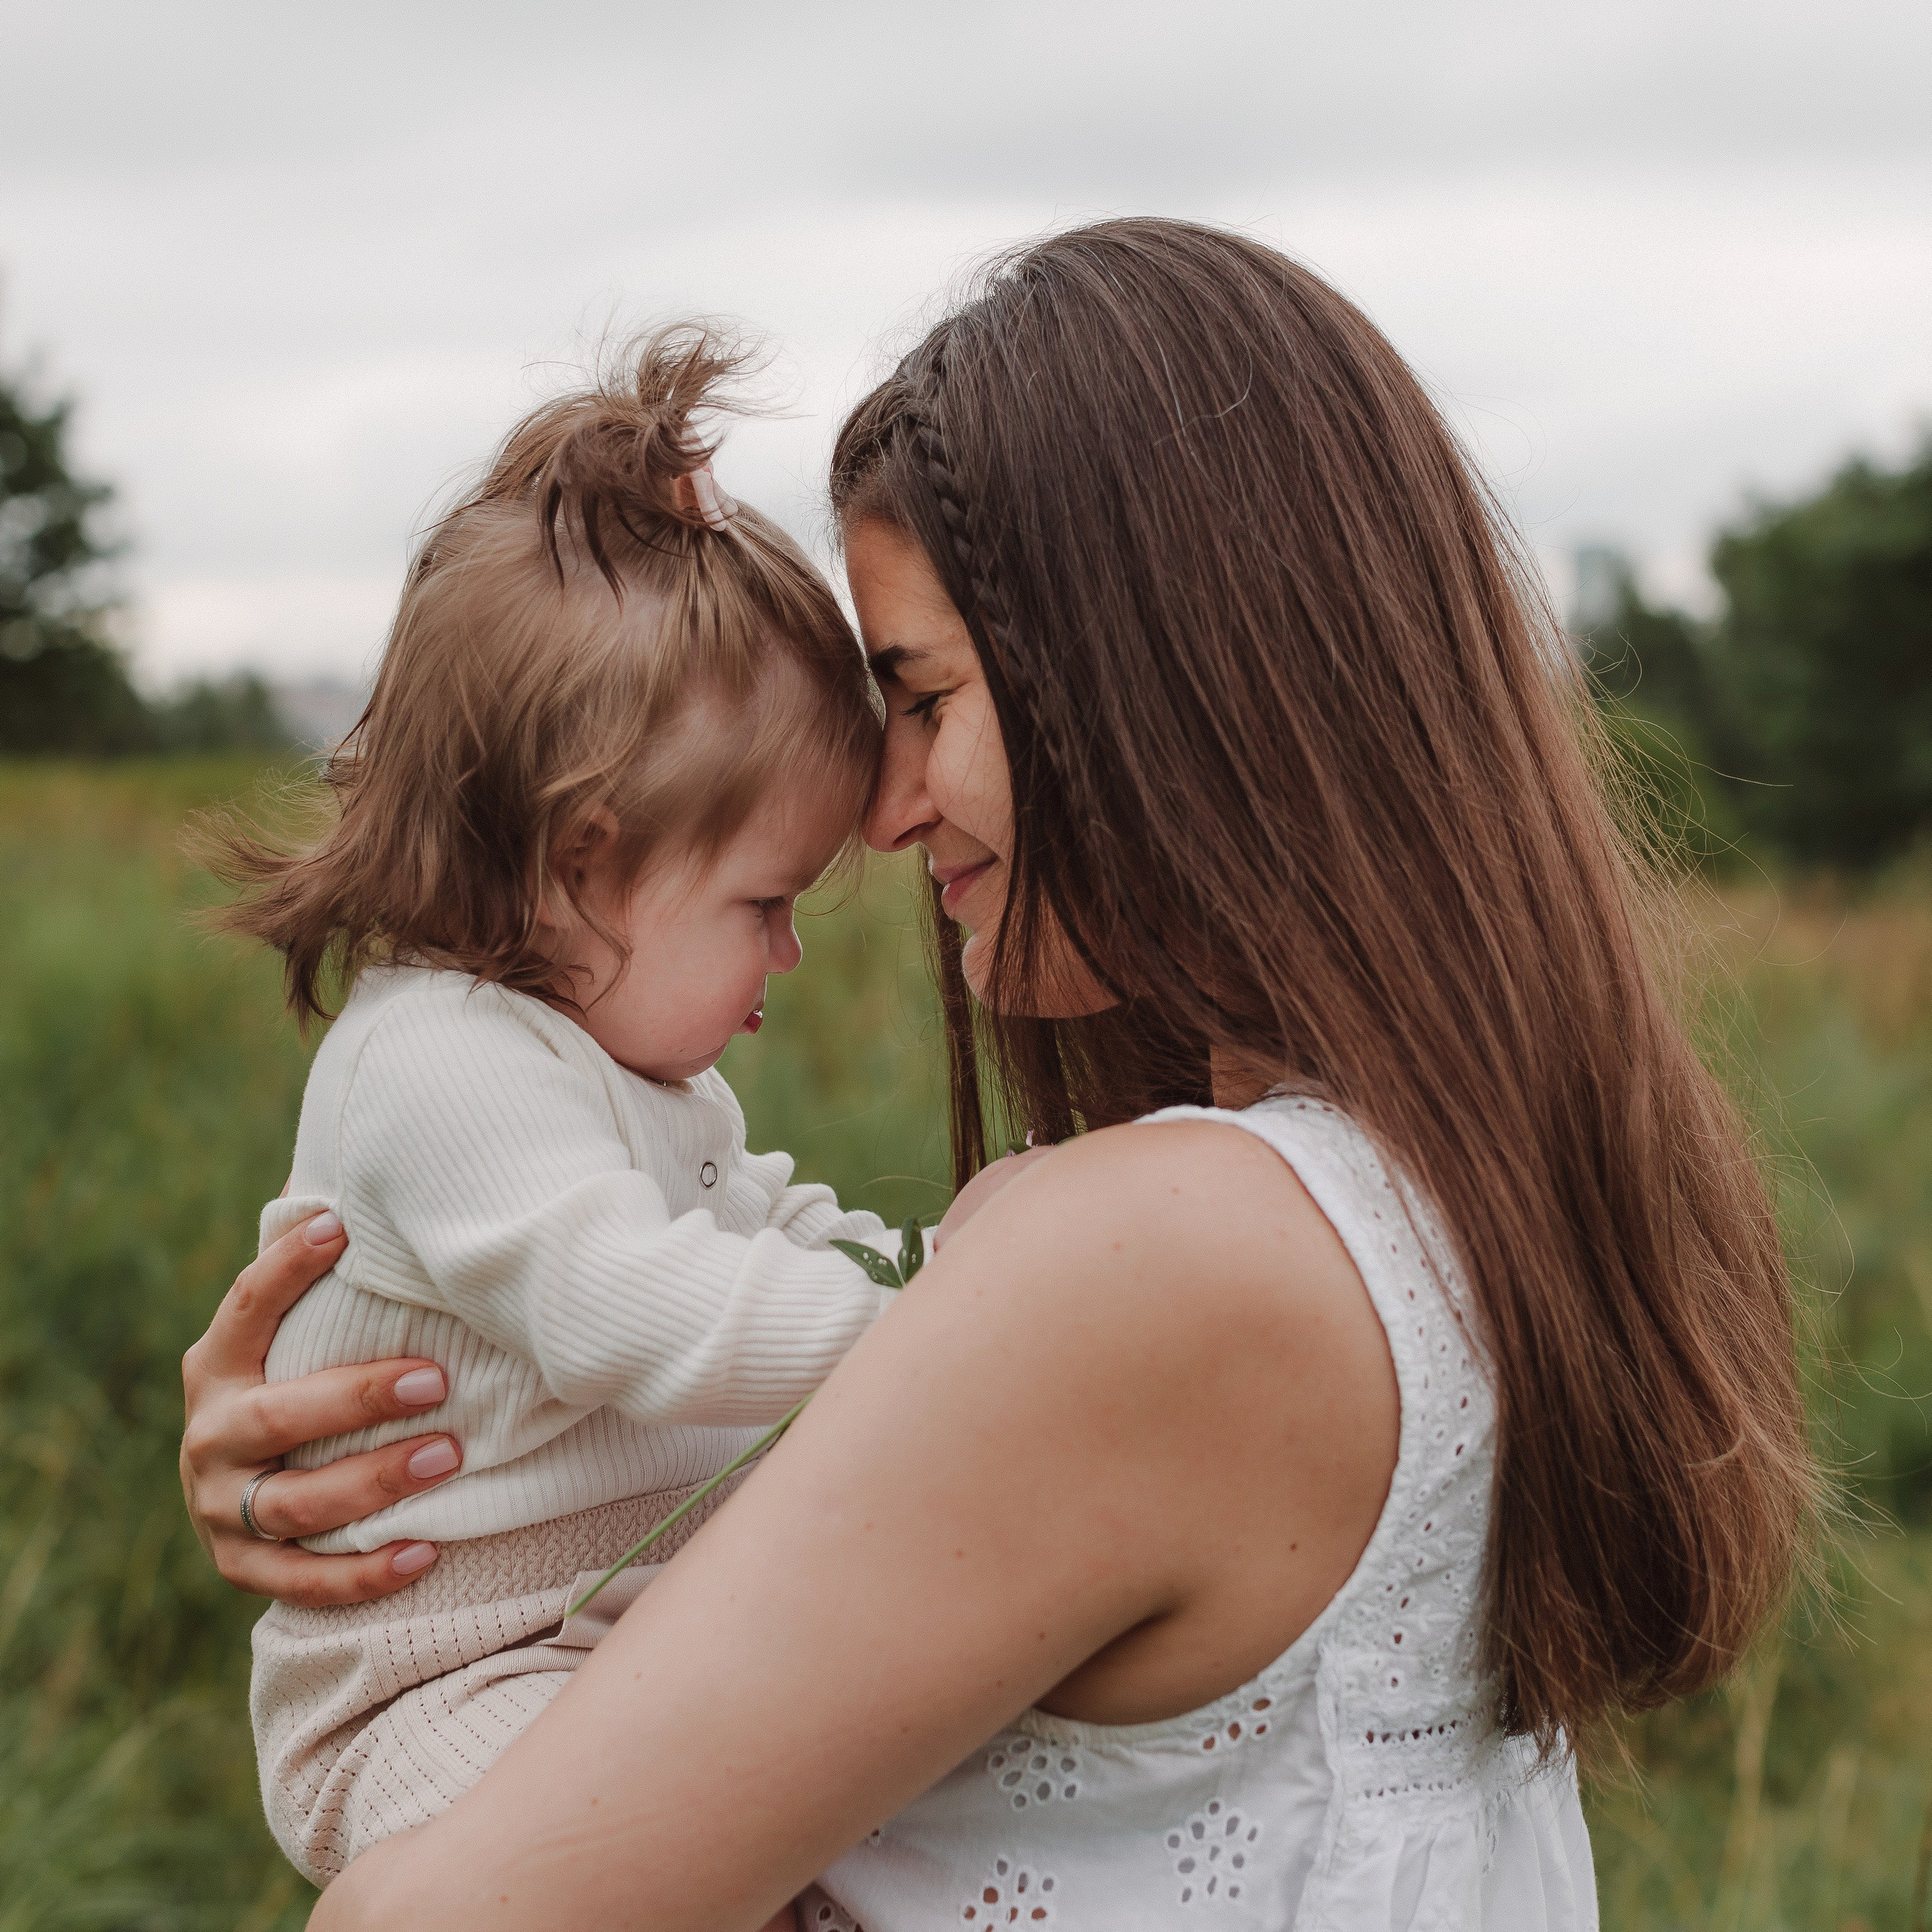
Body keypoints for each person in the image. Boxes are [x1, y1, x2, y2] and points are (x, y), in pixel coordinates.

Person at [180, 219, 1813, 1930]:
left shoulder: (1162, 1260)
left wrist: (954, 1337)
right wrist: (455, 1464)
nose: (885, 813)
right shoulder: (1454, 1193)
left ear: (1153, 691)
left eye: (922, 695)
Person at [204, 329, 971, 1918]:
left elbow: (757, 1218)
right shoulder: (440, 1063)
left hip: (583, 1641)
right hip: (435, 1684)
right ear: (581, 859)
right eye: (762, 899)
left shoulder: (624, 1064)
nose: (789, 949)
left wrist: (913, 1269)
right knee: (668, 1857)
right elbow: (635, 1304)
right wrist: (947, 1331)